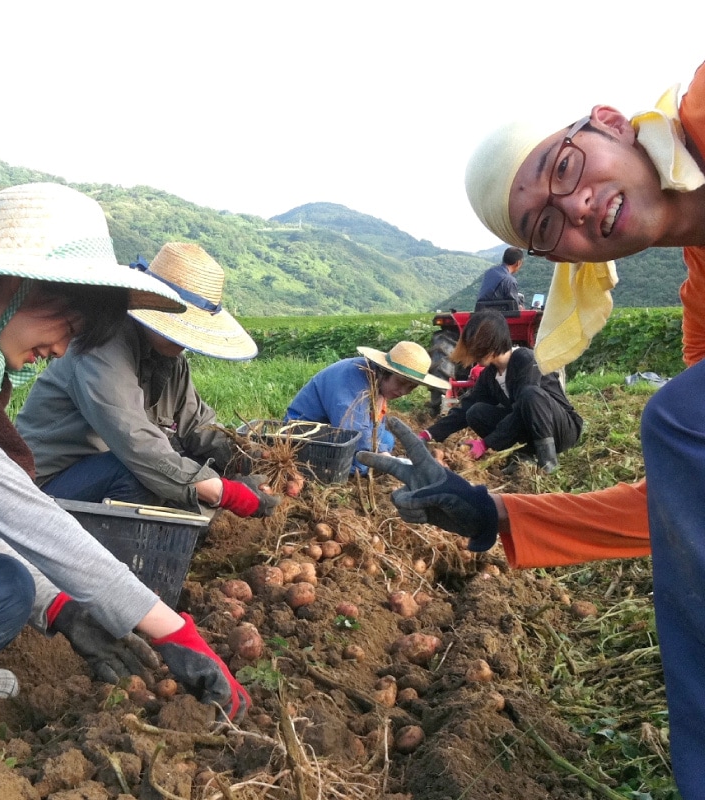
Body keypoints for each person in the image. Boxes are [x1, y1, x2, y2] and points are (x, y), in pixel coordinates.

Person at [359, 60, 705, 797]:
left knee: (677, 419)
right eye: (550, 226)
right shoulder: (699, 301)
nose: (578, 205)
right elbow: (686, 498)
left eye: (567, 165)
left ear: (608, 120)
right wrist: (497, 511)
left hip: (554, 428)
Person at [0, 182, 250, 720]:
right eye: (69, 326)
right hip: (43, 487)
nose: (63, 350)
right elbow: (12, 503)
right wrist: (171, 629)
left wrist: (64, 606)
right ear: (20, 286)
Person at [15, 241, 279, 518]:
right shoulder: (100, 349)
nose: (183, 342)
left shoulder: (171, 362)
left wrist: (250, 456)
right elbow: (136, 443)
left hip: (106, 467)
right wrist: (226, 493)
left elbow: (197, 428)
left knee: (194, 462)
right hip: (46, 486)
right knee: (145, 474)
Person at [420, 310, 582, 472]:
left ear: (492, 342)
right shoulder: (490, 375)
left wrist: (486, 443)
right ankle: (528, 452)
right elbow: (465, 409)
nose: (473, 356)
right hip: (530, 426)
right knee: (475, 412)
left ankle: (548, 463)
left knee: (529, 395)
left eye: (476, 348)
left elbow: (523, 408)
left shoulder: (526, 360)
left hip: (562, 430)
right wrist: (429, 434)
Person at [284, 341, 449, 475]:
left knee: (386, 441)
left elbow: (374, 424)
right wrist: (386, 460)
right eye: (401, 383)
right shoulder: (351, 379)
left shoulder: (376, 380)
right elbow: (352, 429)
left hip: (334, 429)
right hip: (306, 431)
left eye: (411, 388)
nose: (403, 392)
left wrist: (384, 453)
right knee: (361, 463)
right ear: (385, 372)